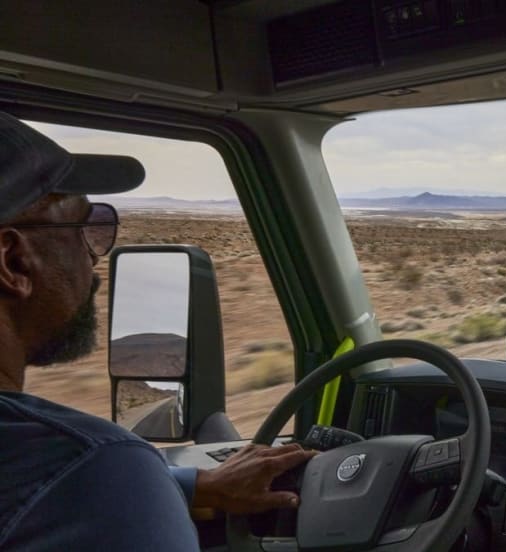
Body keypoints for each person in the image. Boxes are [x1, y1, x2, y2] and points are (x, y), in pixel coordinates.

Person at [0, 112, 316, 550]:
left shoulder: (81, 476)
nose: (94, 261)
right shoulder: (94, 472)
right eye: (86, 226)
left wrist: (196, 484)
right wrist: (133, 481)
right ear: (14, 262)